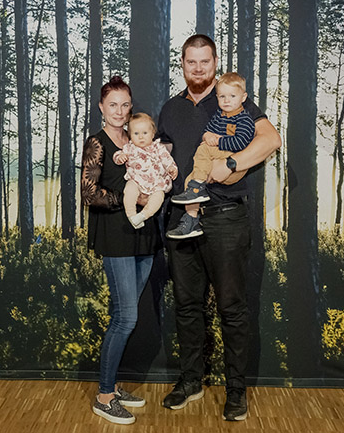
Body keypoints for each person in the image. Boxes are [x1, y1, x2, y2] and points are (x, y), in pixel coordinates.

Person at [157, 35, 281, 421]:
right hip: (181, 217)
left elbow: (271, 139)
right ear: (182, 64)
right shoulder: (170, 108)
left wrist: (230, 164)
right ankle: (191, 380)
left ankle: (236, 390)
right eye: (191, 62)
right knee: (186, 305)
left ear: (215, 62)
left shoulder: (230, 98)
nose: (198, 68)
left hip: (226, 217)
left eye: (205, 61)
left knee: (231, 307)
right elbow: (162, 154)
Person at [81, 76, 162, 425]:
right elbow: (89, 193)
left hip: (143, 236)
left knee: (123, 314)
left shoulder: (137, 139)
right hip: (115, 237)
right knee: (126, 317)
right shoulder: (96, 143)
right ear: (102, 107)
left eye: (125, 104)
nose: (119, 111)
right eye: (112, 104)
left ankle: (111, 386)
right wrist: (135, 199)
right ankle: (104, 396)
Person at [167, 72, 255, 239]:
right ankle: (191, 220)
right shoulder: (219, 115)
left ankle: (197, 187)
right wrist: (207, 136)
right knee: (189, 179)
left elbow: (241, 143)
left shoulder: (244, 120)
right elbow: (209, 131)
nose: (227, 100)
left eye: (232, 96)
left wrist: (218, 140)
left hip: (234, 162)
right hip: (216, 159)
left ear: (243, 97)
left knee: (204, 150)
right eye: (222, 96)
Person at [113, 112, 178, 229]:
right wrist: (120, 157)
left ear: (152, 134)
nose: (141, 137)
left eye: (145, 133)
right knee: (129, 191)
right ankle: (131, 215)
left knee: (158, 197)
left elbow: (167, 159)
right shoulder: (130, 148)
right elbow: (117, 155)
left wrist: (171, 168)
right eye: (136, 133)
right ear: (130, 135)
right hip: (136, 181)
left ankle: (143, 215)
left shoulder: (158, 148)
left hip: (156, 183)